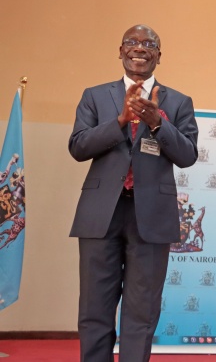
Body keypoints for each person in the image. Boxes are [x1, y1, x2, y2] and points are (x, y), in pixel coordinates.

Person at [69, 25, 198, 362]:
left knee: (142, 310)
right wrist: (120, 121)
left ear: (159, 55)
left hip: (152, 217)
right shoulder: (94, 96)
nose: (140, 48)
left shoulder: (179, 102)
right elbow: (79, 146)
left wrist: (159, 123)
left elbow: (187, 156)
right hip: (101, 214)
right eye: (132, 42)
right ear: (121, 50)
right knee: (95, 306)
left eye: (149, 44)